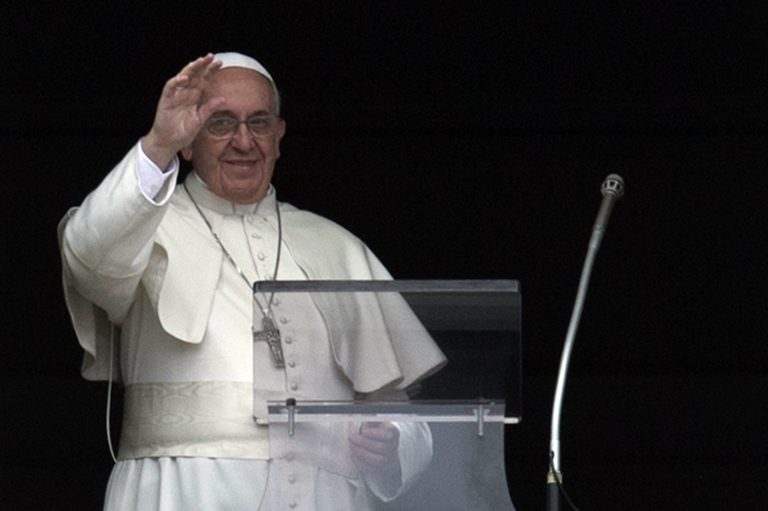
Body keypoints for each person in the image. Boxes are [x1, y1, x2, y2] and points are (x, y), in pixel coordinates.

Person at [58, 52, 446, 510]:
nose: (243, 141)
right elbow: (88, 255)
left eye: (258, 122)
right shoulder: (141, 227)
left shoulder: (339, 248)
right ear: (189, 139)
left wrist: (394, 444)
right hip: (183, 494)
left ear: (278, 136)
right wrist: (157, 144)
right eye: (220, 124)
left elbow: (400, 412)